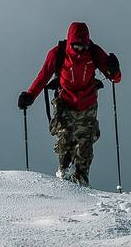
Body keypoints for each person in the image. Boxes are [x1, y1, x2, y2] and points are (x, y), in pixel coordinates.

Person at [17, 21, 121, 186]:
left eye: (83, 47)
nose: (80, 50)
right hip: (65, 102)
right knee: (66, 138)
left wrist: (114, 69)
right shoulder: (57, 53)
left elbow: (115, 78)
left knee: (86, 144)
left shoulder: (94, 52)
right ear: (69, 42)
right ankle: (64, 175)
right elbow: (43, 76)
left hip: (88, 104)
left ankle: (81, 180)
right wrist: (30, 96)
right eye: (76, 47)